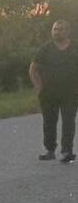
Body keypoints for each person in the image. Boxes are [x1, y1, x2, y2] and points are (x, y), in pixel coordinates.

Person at [30, 19, 78, 163]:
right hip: (49, 93)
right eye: (55, 29)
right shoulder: (45, 49)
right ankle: (50, 150)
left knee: (69, 122)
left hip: (71, 92)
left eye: (61, 29)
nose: (57, 32)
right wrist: (39, 88)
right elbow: (33, 69)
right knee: (49, 122)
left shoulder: (75, 47)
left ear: (68, 31)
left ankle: (66, 151)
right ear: (52, 31)